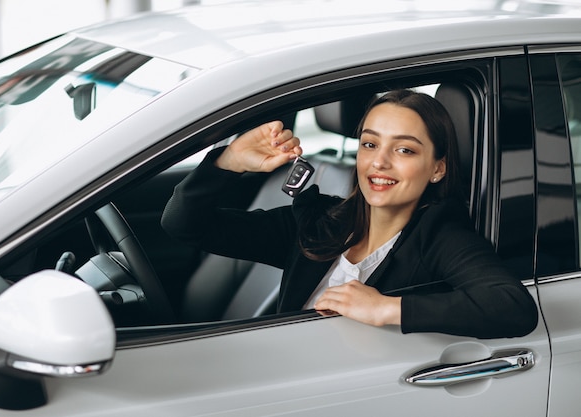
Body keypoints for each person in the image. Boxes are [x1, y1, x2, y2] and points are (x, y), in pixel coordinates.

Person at [161, 89, 538, 339]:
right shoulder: (317, 221)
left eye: (404, 150)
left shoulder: (440, 237)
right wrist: (229, 161)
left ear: (437, 168)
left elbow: (513, 309)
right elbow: (184, 224)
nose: (379, 163)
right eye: (370, 144)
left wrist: (387, 308)